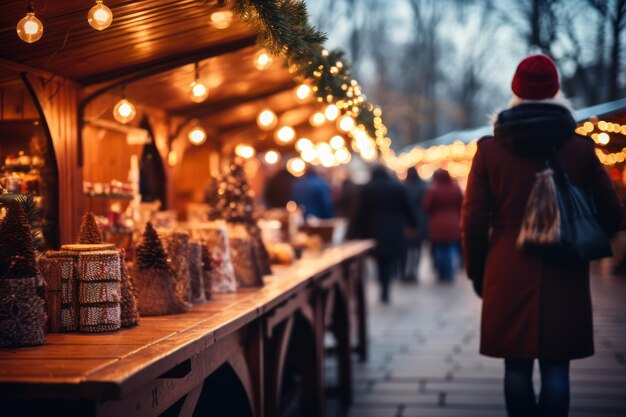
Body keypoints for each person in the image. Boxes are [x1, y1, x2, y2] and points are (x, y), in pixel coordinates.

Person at [461, 55, 623, 417]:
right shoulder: (581, 148)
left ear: (515, 91)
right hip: (563, 267)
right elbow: (613, 214)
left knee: (515, 367)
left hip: (507, 265)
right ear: (556, 90)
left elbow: (472, 219)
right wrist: (582, 241)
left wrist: (477, 270)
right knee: (556, 366)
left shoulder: (489, 150)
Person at [352, 165, 417, 303]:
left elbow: (361, 212)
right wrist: (413, 224)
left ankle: (384, 286)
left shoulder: (368, 189)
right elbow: (407, 207)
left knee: (381, 260)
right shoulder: (398, 187)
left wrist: (355, 231)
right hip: (394, 227)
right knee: (390, 258)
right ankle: (387, 286)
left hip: (375, 228)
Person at [423, 168, 463, 281]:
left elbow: (426, 206)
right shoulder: (455, 188)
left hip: (437, 223)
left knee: (440, 248)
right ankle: (449, 272)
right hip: (453, 222)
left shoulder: (433, 189)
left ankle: (441, 271)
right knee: (450, 248)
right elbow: (462, 203)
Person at [402, 167, 428, 282]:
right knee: (417, 249)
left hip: (407, 223)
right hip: (420, 222)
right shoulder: (423, 187)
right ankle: (414, 272)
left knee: (406, 249)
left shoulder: (405, 187)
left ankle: (406, 272)